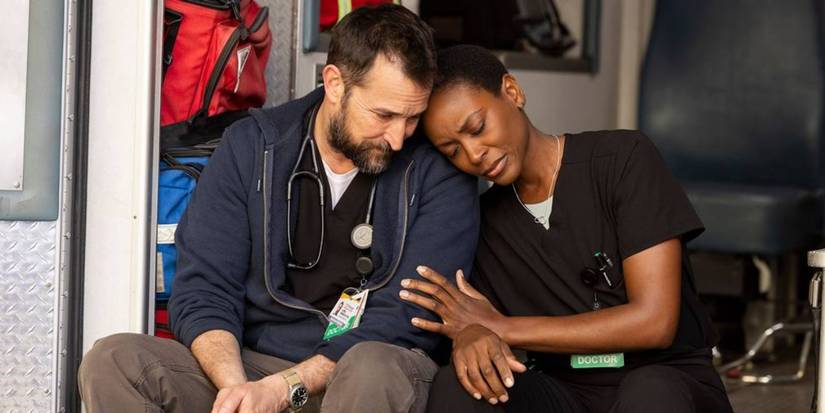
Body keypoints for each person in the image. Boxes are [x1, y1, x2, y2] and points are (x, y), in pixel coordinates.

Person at [78, 6, 479, 413]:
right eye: (384, 115)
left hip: (370, 373)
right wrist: (239, 393)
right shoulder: (251, 146)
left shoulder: (440, 173)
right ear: (335, 83)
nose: (397, 138)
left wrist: (287, 389)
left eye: (412, 119)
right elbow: (205, 289)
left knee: (371, 365)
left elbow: (405, 317)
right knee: (113, 361)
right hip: (258, 367)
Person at [399, 45, 734, 413]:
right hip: (566, 391)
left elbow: (655, 322)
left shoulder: (623, 161)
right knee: (460, 385)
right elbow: (473, 319)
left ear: (512, 92)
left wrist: (502, 327)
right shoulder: (484, 221)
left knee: (650, 391)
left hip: (667, 383)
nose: (473, 154)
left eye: (477, 128)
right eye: (453, 151)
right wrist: (472, 334)